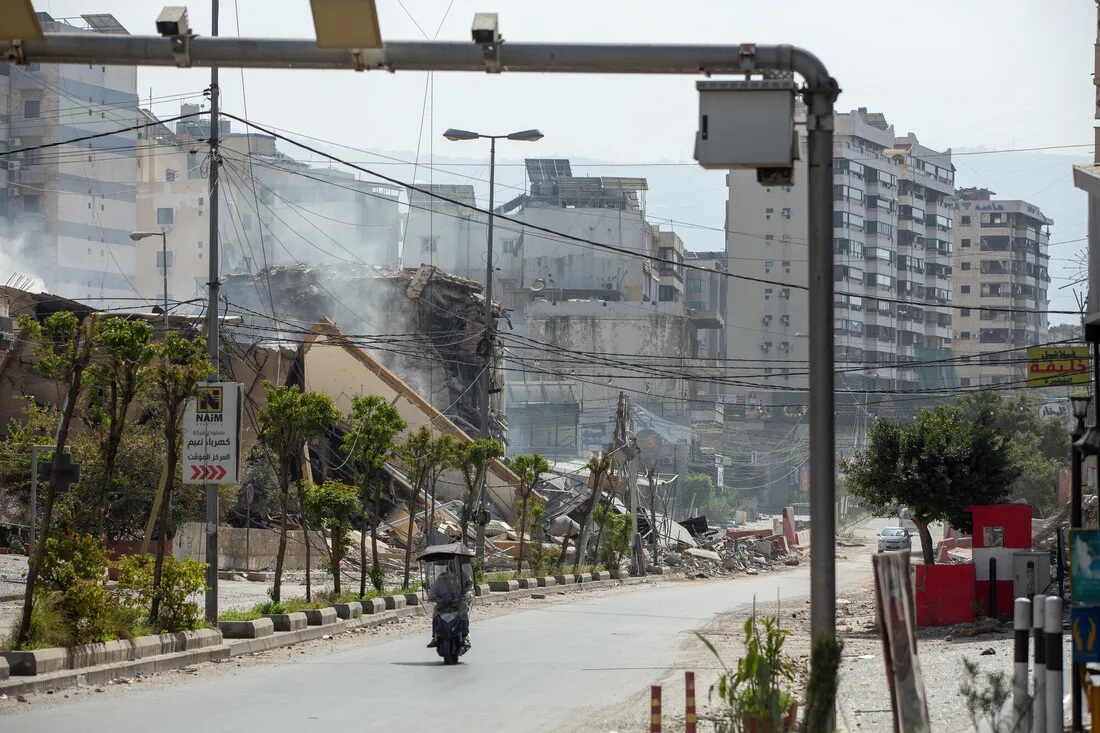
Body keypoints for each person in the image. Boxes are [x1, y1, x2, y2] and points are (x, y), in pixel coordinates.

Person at [426, 562, 474, 649]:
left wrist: (467, 594)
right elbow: (434, 590)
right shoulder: (441, 578)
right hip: (443, 603)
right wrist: (431, 596)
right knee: (436, 614)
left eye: (454, 565)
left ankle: (465, 636)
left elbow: (470, 588)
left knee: (463, 614)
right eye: (451, 565)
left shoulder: (464, 577)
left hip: (458, 602)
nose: (453, 567)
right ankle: (434, 636)